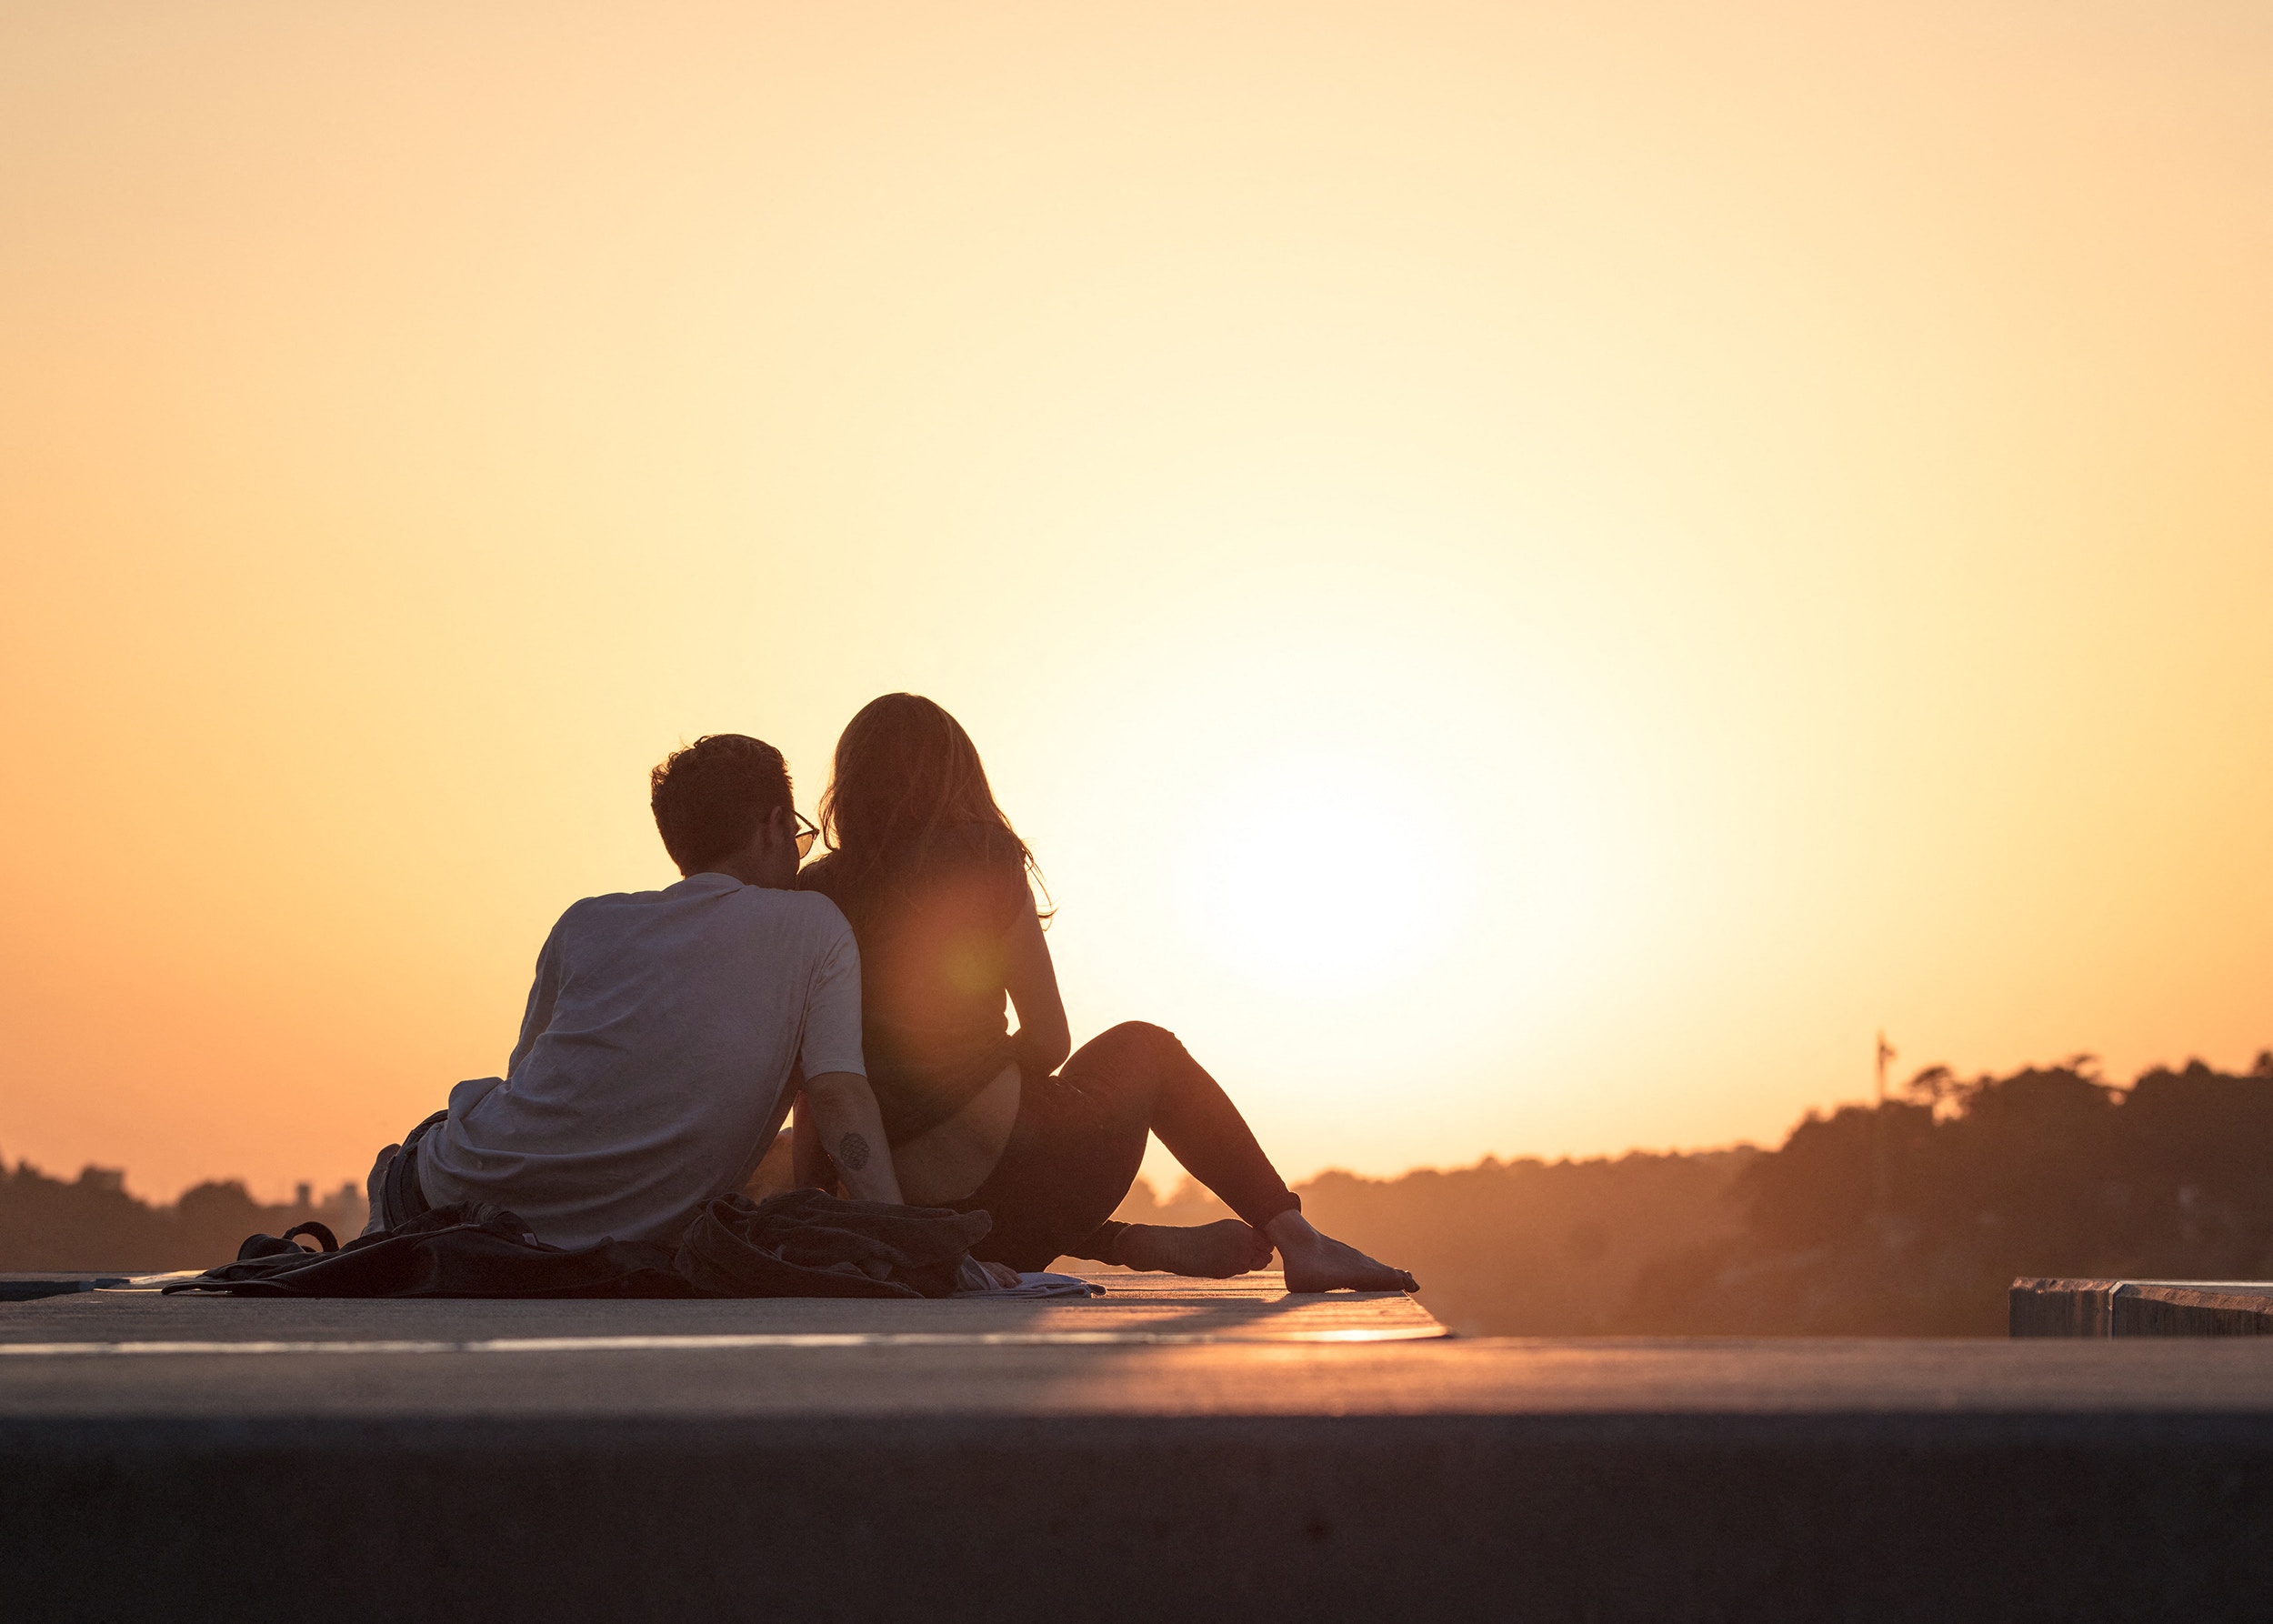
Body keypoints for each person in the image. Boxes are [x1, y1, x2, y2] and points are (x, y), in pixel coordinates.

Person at [793, 693, 1417, 1293]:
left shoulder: (814, 893)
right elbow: (1049, 1037)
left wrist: (827, 1204)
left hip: (919, 1218)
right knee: (1146, 1048)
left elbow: (814, 1082)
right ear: (958, 779)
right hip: (1021, 1177)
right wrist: (983, 1075)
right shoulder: (984, 856)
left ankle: (1118, 1242)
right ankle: (1299, 1241)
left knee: (992, 1165)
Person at [361, 733, 909, 1248]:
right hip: (589, 1235)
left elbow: (534, 1085)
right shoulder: (815, 925)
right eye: (797, 835)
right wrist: (915, 1247)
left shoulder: (586, 924)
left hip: (449, 1199)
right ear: (773, 825)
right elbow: (837, 1097)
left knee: (448, 1129)